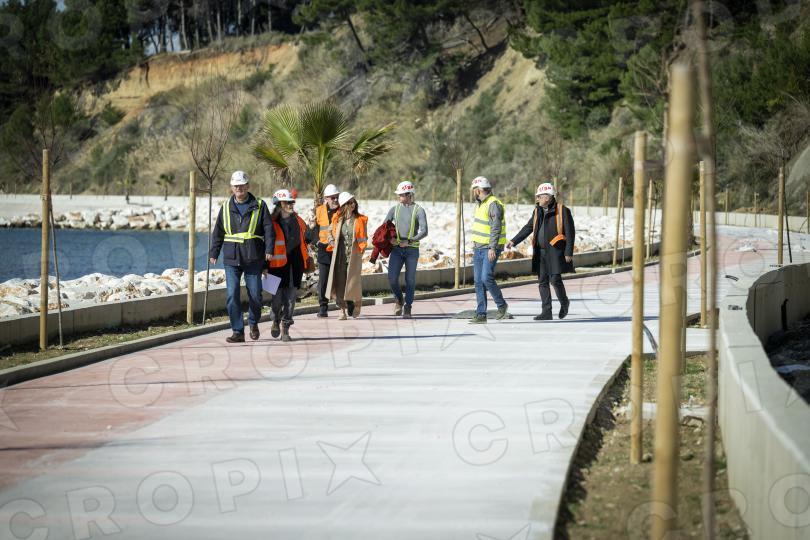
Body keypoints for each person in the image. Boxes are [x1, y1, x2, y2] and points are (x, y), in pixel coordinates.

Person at [209, 171, 275, 343]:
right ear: (232, 187)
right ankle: (238, 331)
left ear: (248, 186)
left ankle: (253, 323)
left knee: (256, 295)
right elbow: (218, 231)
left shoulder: (259, 205)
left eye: (242, 185)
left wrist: (269, 249)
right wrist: (214, 252)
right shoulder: (225, 207)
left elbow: (268, 229)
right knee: (232, 295)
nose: (239, 188)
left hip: (253, 257)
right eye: (236, 185)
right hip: (231, 258)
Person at [507, 182, 574, 320]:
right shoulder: (537, 211)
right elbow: (528, 228)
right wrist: (514, 241)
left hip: (555, 251)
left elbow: (570, 233)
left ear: (548, 197)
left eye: (539, 196)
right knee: (542, 281)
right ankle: (546, 312)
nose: (537, 199)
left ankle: (564, 302)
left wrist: (568, 252)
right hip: (540, 251)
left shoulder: (563, 210)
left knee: (555, 280)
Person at [267, 189, 312, 341]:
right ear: (279, 204)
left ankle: (285, 328)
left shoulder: (298, 220)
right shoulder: (269, 223)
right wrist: (263, 266)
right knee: (276, 299)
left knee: (291, 299)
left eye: (292, 202)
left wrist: (312, 228)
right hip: (275, 267)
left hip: (294, 266)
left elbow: (308, 238)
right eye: (287, 202)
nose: (291, 205)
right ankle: (275, 319)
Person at [468, 176, 510, 324]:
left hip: (490, 248)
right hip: (478, 248)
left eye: (474, 190)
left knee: (486, 278)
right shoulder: (481, 204)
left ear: (478, 190)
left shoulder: (493, 204)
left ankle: (501, 305)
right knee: (478, 281)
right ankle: (481, 314)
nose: (473, 192)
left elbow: (495, 227)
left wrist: (492, 247)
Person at [385, 180, 428, 319]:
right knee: (392, 278)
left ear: (409, 194)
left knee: (410, 279)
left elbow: (424, 231)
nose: (399, 197)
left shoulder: (419, 210)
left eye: (401, 194)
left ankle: (408, 306)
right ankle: (399, 299)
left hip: (412, 251)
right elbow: (384, 227)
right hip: (396, 250)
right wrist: (389, 238)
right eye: (398, 194)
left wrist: (409, 241)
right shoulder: (394, 209)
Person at [325, 192, 368, 319]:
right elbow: (329, 231)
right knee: (340, 284)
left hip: (354, 256)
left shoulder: (360, 220)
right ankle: (342, 310)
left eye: (354, 202)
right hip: (340, 257)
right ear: (344, 205)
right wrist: (331, 240)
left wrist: (361, 251)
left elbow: (364, 238)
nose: (353, 204)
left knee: (354, 283)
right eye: (350, 202)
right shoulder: (337, 218)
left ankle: (357, 303)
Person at [308, 184, 341, 317]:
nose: (335, 200)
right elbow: (313, 228)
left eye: (337, 197)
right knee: (324, 278)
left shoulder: (343, 210)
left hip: (339, 248)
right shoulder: (319, 210)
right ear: (326, 198)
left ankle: (344, 302)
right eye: (333, 197)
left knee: (340, 277)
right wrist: (316, 241)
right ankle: (323, 307)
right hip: (323, 248)